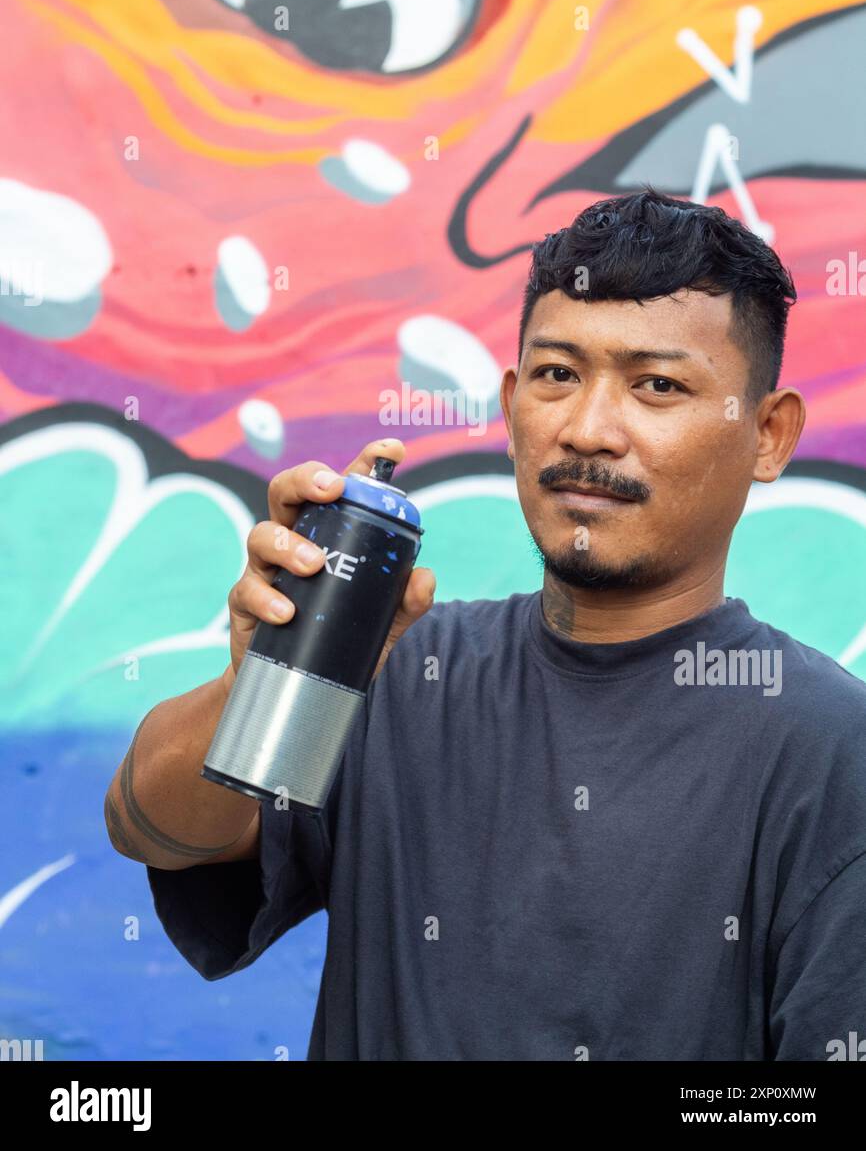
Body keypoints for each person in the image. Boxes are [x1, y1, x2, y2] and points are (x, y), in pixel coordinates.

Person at [105, 187, 866, 1061]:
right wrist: (264, 679)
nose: (587, 429)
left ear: (768, 435)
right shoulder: (396, 670)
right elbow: (154, 830)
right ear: (510, 407)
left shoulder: (833, 750)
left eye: (657, 385)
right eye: (556, 375)